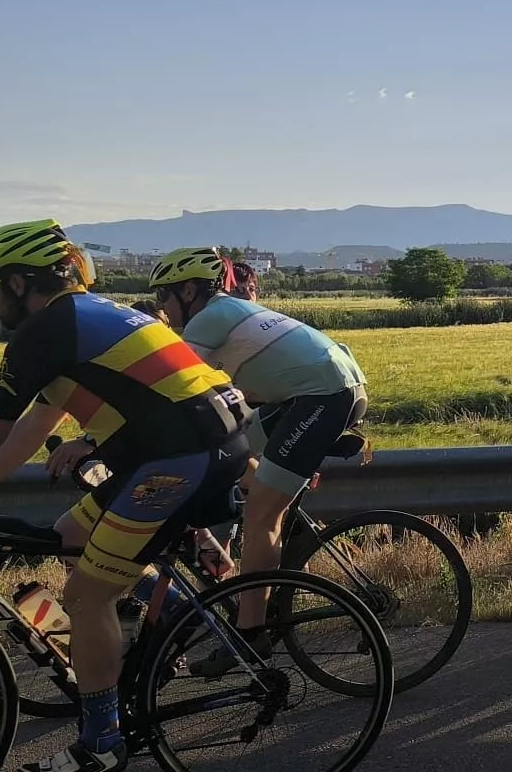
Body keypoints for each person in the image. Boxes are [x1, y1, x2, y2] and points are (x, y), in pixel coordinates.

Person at [0, 219, 252, 772]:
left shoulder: (46, 330)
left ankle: (102, 742)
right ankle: (178, 614)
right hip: (182, 450)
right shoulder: (87, 318)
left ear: (19, 283)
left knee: (89, 595)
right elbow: (35, 426)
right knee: (67, 540)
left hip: (176, 460)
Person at [112, 246, 367, 676]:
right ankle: (281, 524)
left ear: (188, 290)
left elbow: (170, 384)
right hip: (318, 389)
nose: (161, 308)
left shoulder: (210, 317)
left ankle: (251, 635)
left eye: (164, 297)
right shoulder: (225, 311)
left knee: (262, 516)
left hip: (322, 396)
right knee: (230, 452)